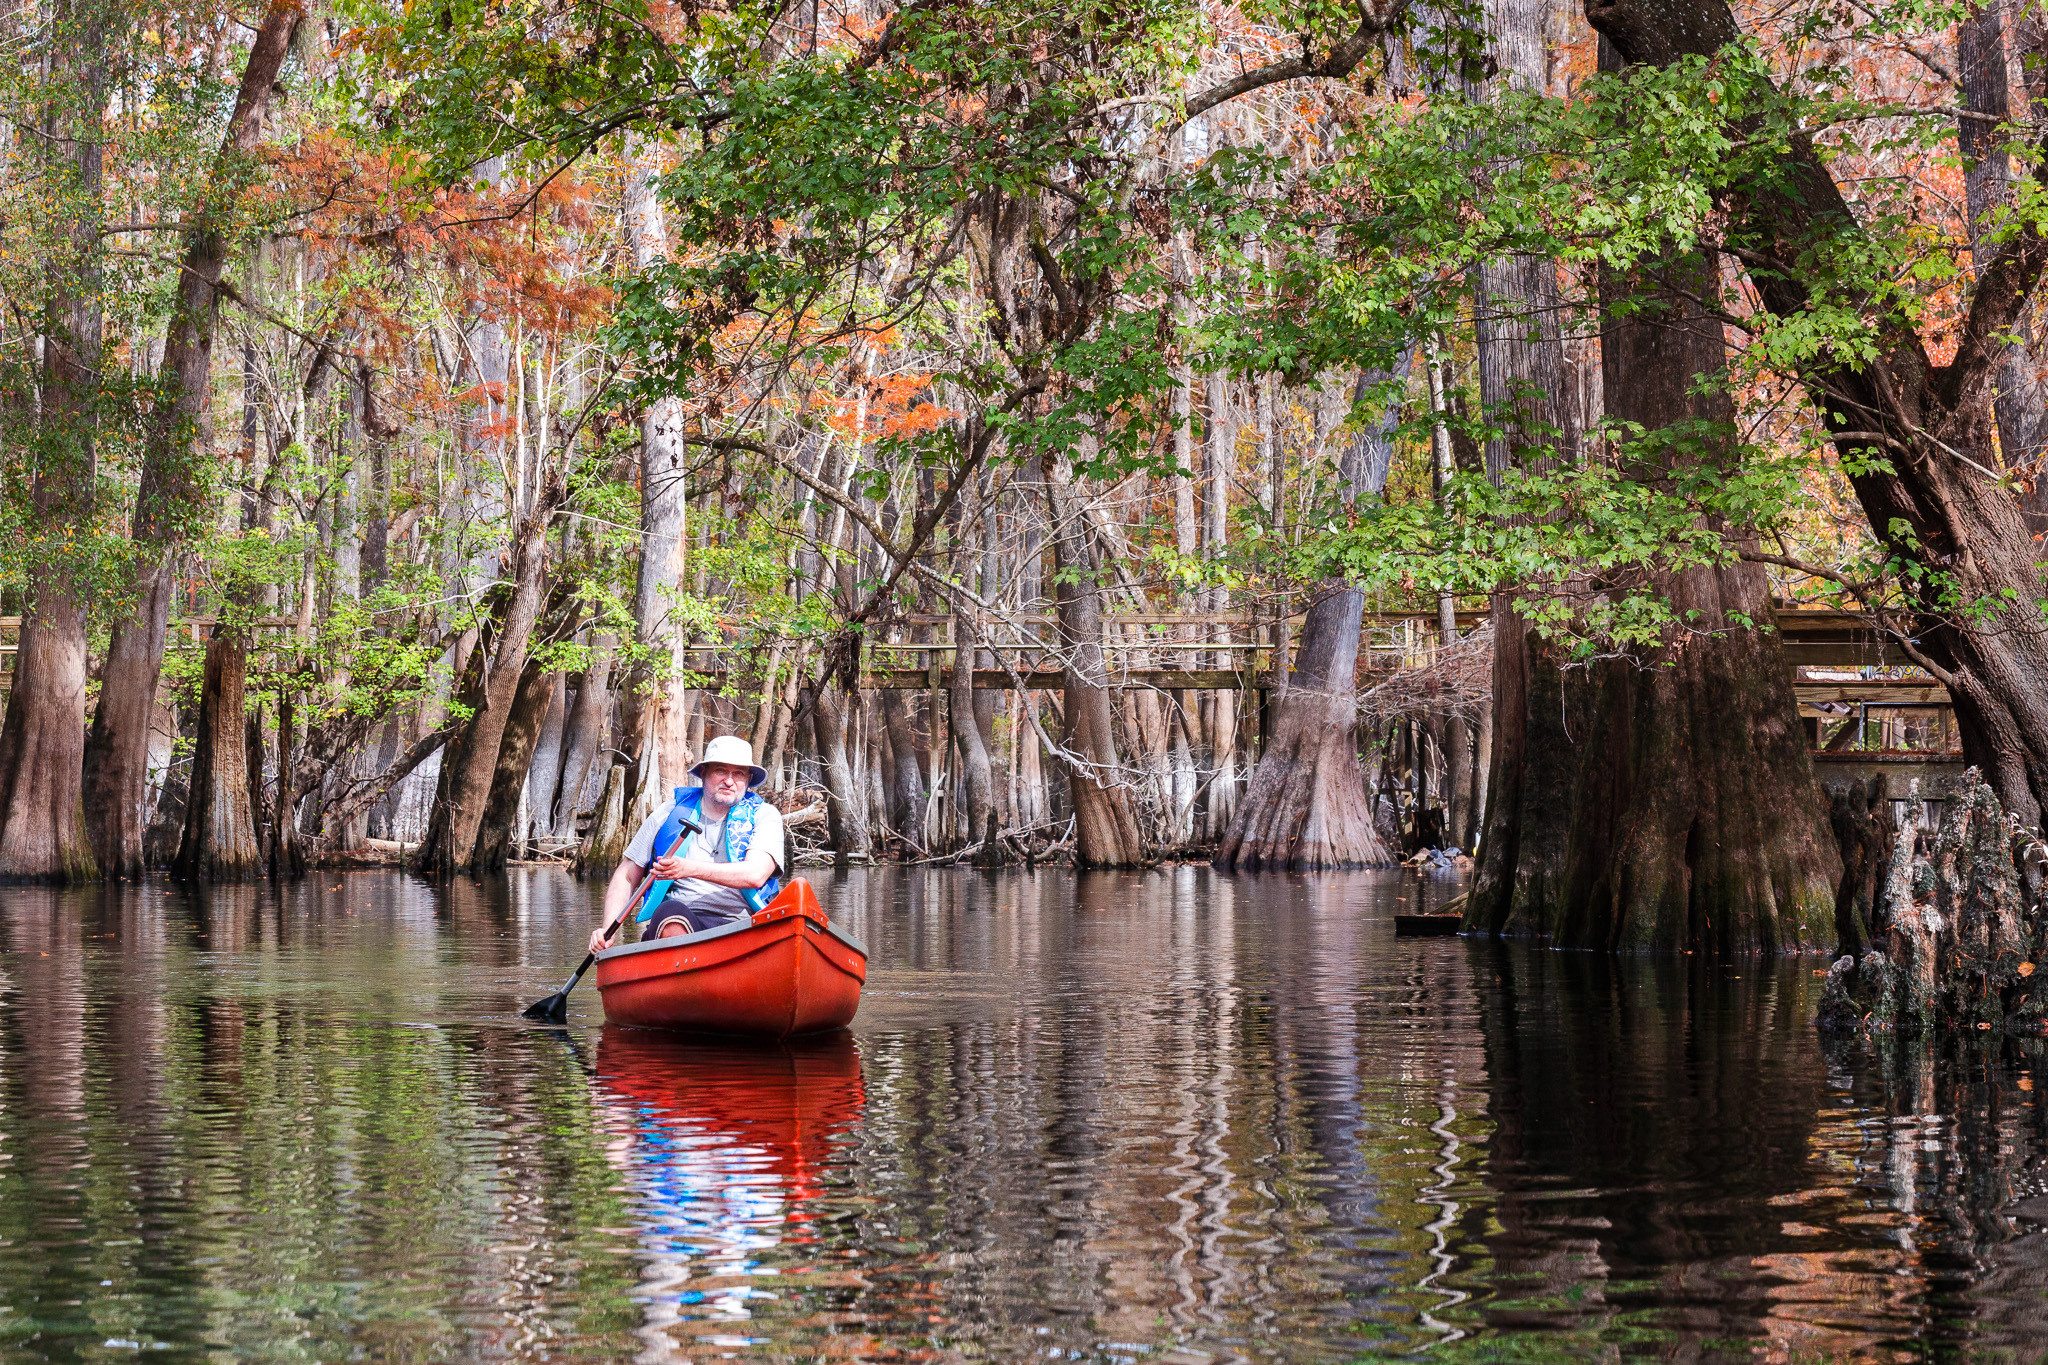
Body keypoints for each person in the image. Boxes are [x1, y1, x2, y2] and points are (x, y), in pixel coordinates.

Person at [589, 735, 786, 955]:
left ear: (748, 779)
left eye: (738, 773)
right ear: (704, 773)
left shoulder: (765, 816)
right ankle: (683, 976)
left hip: (743, 926)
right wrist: (608, 929)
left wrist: (689, 869)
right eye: (721, 770)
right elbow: (626, 875)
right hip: (680, 920)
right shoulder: (668, 813)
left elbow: (755, 875)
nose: (729, 781)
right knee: (671, 914)